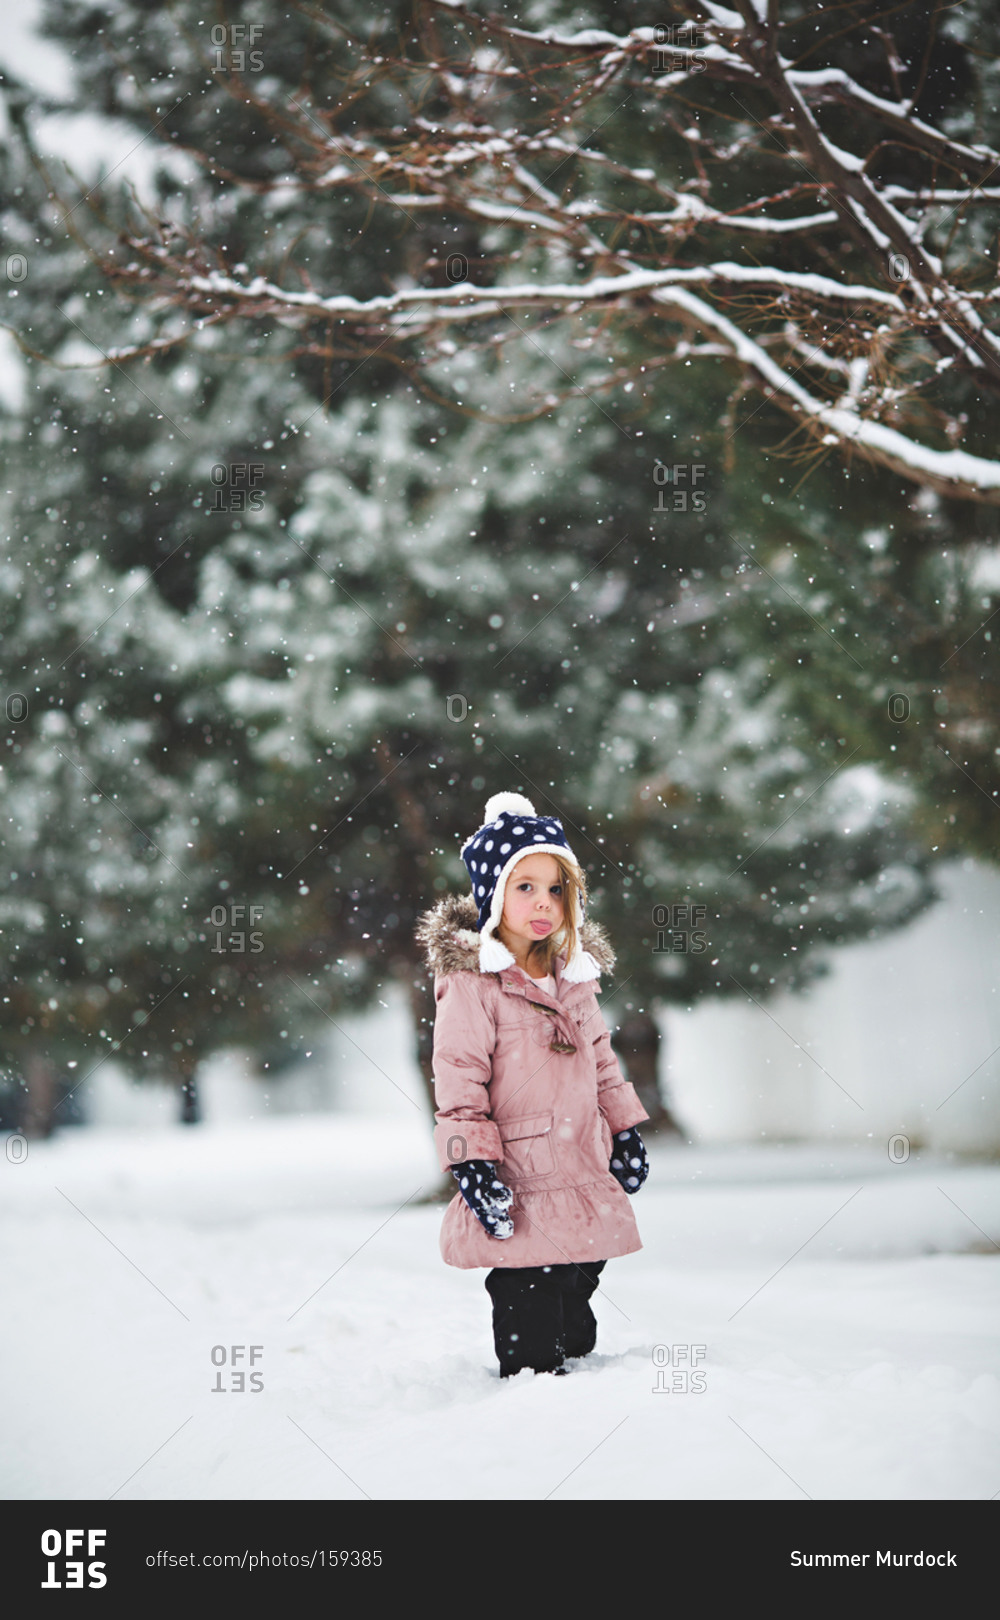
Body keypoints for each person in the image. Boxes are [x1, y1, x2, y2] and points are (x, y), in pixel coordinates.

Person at [415, 791, 650, 1377]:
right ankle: (527, 1400)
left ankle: (576, 1382)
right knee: (530, 1290)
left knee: (580, 1274)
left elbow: (599, 1059)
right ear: (492, 893)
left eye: (556, 888)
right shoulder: (472, 985)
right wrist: (471, 1165)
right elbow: (459, 1079)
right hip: (520, 1167)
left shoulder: (573, 976)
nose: (544, 902)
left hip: (582, 1157)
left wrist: (623, 1130)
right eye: (525, 887)